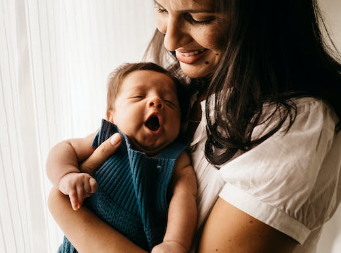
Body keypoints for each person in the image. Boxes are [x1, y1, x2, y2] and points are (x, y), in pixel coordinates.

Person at [48, 0, 341, 252]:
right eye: (161, 8)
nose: (170, 42)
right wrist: (66, 175)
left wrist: (63, 209)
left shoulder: (294, 127)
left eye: (199, 18)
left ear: (264, 18)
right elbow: (69, 151)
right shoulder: (184, 83)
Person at [46, 62, 197, 253]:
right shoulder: (107, 137)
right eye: (138, 96)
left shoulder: (176, 158)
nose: (156, 102)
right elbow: (64, 148)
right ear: (112, 116)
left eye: (169, 102)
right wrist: (66, 175)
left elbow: (184, 199)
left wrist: (175, 243)